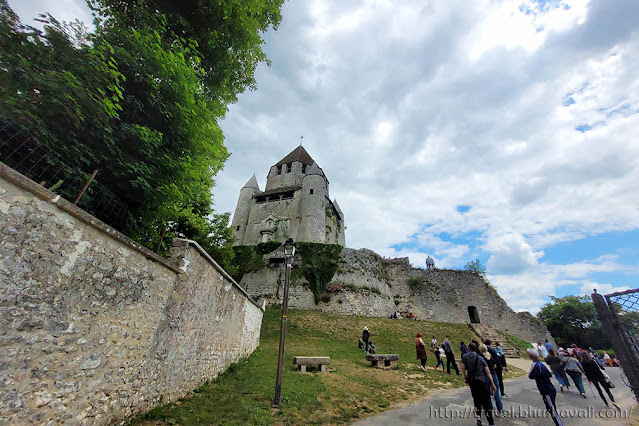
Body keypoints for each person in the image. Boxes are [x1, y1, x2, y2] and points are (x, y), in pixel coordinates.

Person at [461, 342, 496, 426]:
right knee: (486, 401)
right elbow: (488, 372)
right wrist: (492, 383)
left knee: (476, 399)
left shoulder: (465, 356)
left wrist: (466, 378)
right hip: (482, 381)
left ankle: (479, 416)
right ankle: (490, 422)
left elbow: (462, 368)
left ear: (468, 348)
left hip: (472, 381)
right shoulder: (480, 358)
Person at [528, 348, 563, 426]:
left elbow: (531, 376)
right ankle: (558, 423)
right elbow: (549, 374)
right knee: (550, 408)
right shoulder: (541, 364)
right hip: (548, 388)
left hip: (546, 390)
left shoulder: (536, 365)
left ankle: (559, 424)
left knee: (552, 409)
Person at [479, 344, 503, 416]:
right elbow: (495, 366)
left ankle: (490, 410)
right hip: (493, 374)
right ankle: (500, 410)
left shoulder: (480, 356)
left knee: (487, 394)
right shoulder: (490, 355)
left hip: (485, 375)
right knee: (496, 394)